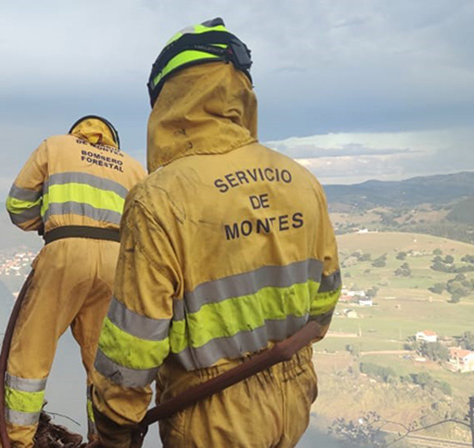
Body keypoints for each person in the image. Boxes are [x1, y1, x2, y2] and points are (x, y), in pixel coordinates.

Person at [90, 18, 341, 447]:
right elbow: (324, 302)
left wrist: (115, 425)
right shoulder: (302, 181)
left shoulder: (160, 198)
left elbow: (135, 342)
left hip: (211, 418)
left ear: (170, 100)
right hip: (293, 400)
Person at [2, 116, 146, 447]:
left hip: (64, 253)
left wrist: (50, 225)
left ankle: (16, 441)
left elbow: (18, 205)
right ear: (113, 140)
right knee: (103, 361)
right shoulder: (134, 167)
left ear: (78, 132)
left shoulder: (55, 146)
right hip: (115, 262)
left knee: (31, 352)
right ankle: (104, 440)